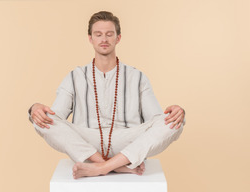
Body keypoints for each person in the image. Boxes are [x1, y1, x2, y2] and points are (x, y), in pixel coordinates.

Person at [28, 11, 186, 179]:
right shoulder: (75, 76)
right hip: (86, 141)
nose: (104, 40)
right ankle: (114, 166)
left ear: (118, 38)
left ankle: (101, 167)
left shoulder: (137, 77)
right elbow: (55, 115)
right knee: (41, 119)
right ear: (90, 38)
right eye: (98, 34)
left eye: (109, 34)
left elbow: (155, 118)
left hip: (128, 141)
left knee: (174, 121)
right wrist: (35, 109)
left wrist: (176, 112)